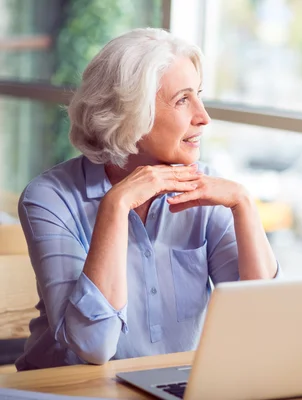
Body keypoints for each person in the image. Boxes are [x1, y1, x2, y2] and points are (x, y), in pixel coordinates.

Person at [16, 28, 279, 371]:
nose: (203, 116)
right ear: (129, 111)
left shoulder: (207, 190)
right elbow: (93, 346)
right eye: (183, 99)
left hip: (177, 386)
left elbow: (259, 327)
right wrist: (115, 205)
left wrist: (244, 204)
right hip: (71, 391)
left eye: (198, 95)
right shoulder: (50, 198)